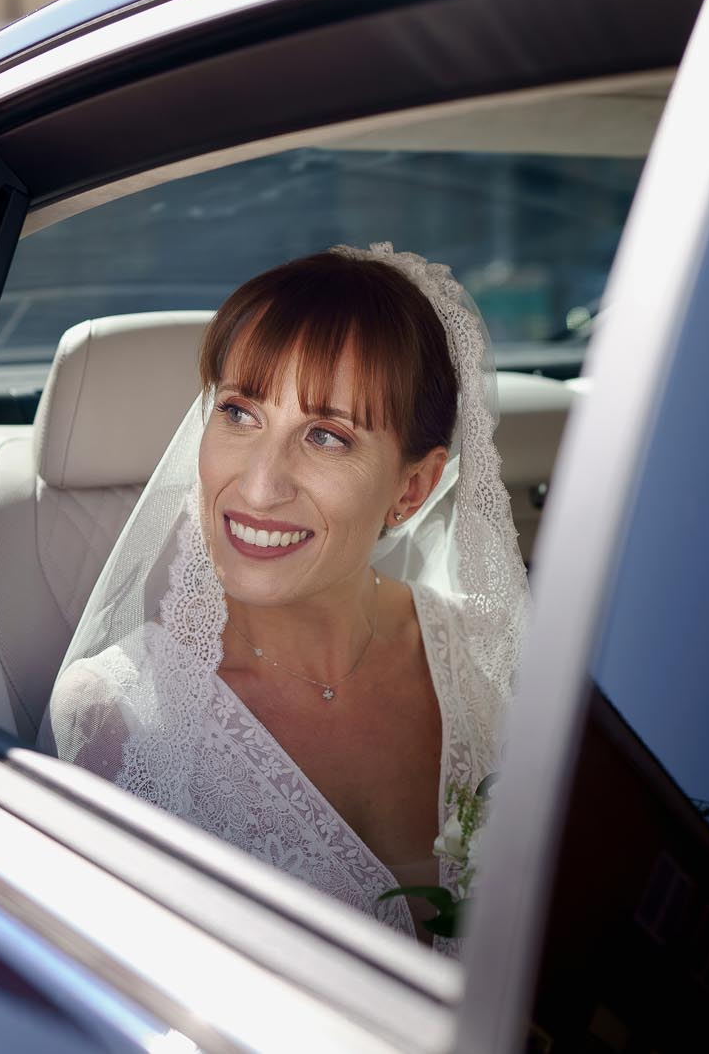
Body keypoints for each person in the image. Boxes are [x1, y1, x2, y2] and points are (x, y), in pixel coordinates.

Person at [44, 243, 530, 953]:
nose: (259, 485)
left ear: (413, 488)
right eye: (239, 413)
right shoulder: (119, 715)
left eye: (327, 436)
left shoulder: (492, 664)